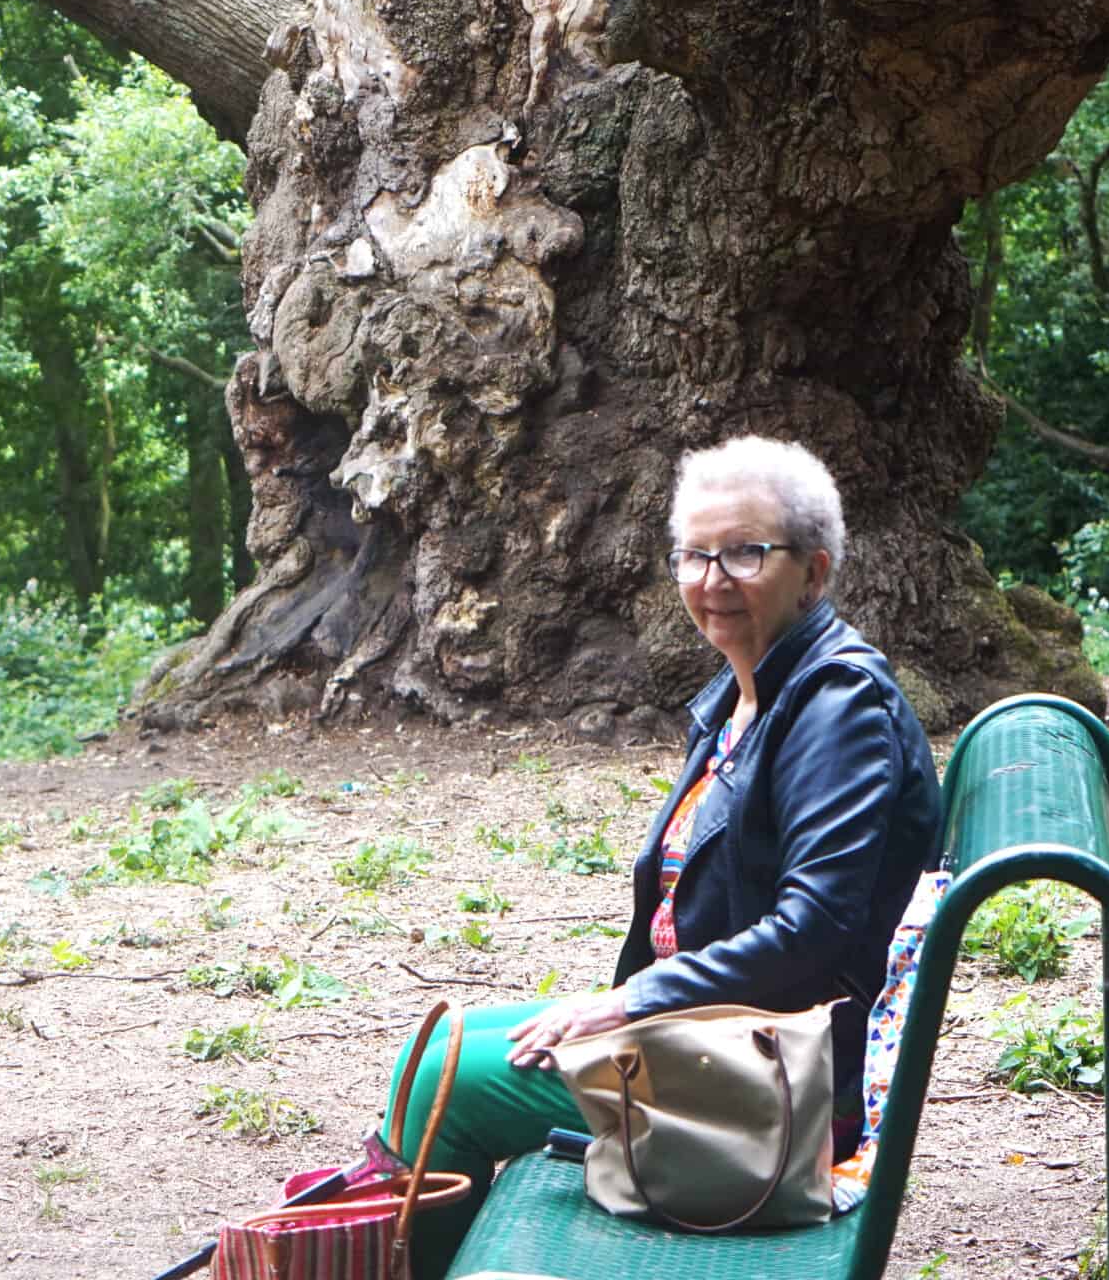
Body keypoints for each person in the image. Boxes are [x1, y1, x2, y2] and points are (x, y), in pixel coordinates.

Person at [383, 435, 943, 1277]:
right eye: (694, 554)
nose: (713, 580)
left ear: (814, 572)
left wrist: (632, 1002)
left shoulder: (837, 709)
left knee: (443, 1087)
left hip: (777, 1082)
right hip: (716, 1035)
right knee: (435, 1050)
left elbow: (815, 927)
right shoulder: (749, 697)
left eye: (747, 553)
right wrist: (633, 1007)